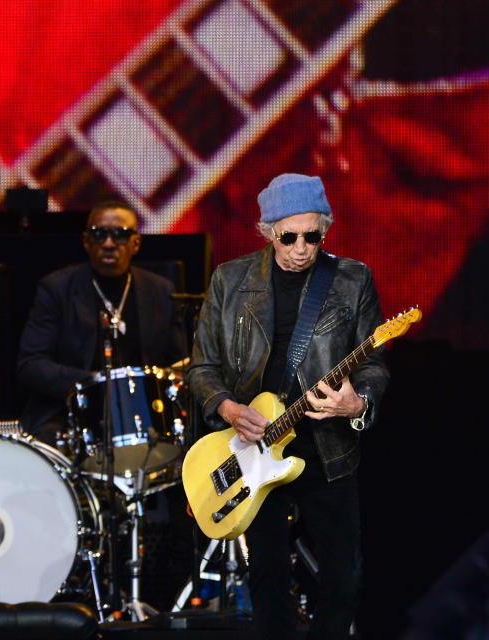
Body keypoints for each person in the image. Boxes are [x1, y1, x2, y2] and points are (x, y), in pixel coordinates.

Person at [187, 173, 390, 639]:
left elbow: (374, 365)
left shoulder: (351, 280)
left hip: (327, 450)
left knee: (343, 581)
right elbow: (202, 369)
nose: (302, 247)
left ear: (325, 230)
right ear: (267, 231)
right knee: (269, 582)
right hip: (252, 446)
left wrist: (356, 403)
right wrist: (231, 410)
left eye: (313, 236)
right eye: (289, 236)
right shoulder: (230, 280)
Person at [16, 200, 186, 444]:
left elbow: (179, 362)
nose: (108, 244)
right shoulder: (57, 288)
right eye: (99, 235)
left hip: (146, 417)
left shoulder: (161, 291)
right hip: (71, 414)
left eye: (120, 235)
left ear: (136, 243)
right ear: (86, 241)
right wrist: (94, 384)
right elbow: (30, 365)